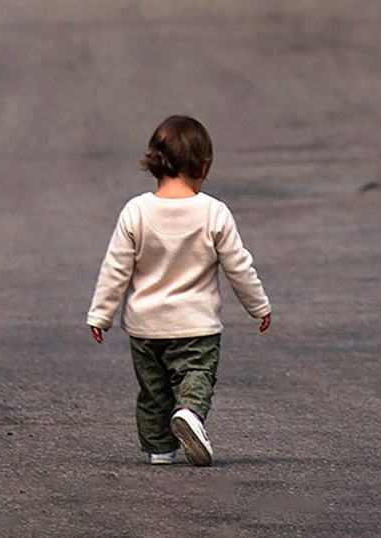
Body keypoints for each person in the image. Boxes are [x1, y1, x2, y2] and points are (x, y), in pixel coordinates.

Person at [87, 115, 272, 466]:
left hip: (145, 327)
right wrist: (258, 306)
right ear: (204, 165)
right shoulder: (213, 213)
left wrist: (101, 313)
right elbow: (238, 266)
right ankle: (189, 414)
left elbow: (116, 268)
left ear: (154, 162)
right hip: (195, 325)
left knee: (154, 393)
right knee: (196, 375)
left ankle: (160, 451)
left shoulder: (136, 212)